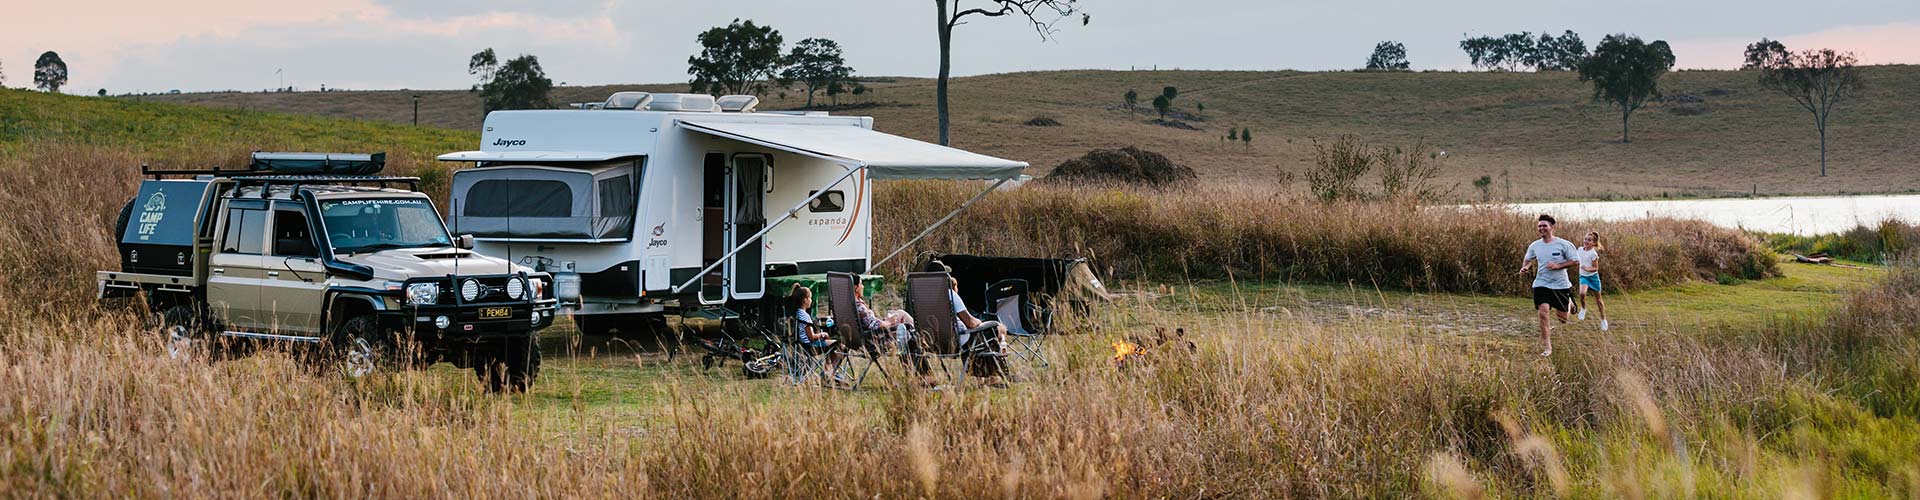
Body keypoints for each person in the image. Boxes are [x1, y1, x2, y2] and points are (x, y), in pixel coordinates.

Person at [1518, 214, 1580, 357]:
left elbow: (1575, 261)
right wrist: (1525, 267)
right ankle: (1548, 348)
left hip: (1560, 285)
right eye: (1539, 226)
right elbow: (1527, 259)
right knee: (1543, 314)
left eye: (1544, 225)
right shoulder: (1535, 245)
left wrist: (1558, 266)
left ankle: (1569, 303)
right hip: (1541, 283)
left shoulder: (1564, 244)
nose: (1541, 228)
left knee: (1562, 319)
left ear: (1552, 227)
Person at [949, 277, 1010, 386]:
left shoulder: (920, 295)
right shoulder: (950, 294)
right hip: (957, 339)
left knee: (976, 336)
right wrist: (980, 322)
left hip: (932, 341)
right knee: (986, 332)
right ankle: (993, 376)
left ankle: (981, 378)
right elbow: (971, 323)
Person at [787, 284, 845, 384]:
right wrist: (822, 334)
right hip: (809, 347)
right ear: (805, 300)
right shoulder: (805, 316)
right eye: (810, 298)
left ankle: (828, 369)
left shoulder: (797, 313)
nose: (811, 300)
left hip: (801, 345)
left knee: (830, 344)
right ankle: (830, 372)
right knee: (838, 344)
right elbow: (811, 337)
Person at [1574, 231, 1610, 332]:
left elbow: (1596, 268)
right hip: (1583, 277)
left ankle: (1603, 320)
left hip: (1593, 277)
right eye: (1585, 239)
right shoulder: (1580, 250)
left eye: (1589, 240)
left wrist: (1587, 268)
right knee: (1582, 293)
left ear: (1594, 243)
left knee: (1598, 300)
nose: (1586, 241)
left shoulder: (1593, 254)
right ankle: (1584, 308)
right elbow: (1575, 258)